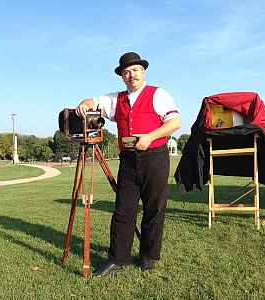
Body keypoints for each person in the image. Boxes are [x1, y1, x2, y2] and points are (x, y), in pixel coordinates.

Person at [75, 52, 181, 277]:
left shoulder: (158, 94)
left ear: (143, 72)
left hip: (155, 157)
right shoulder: (116, 99)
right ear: (122, 76)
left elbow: (174, 122)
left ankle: (147, 257)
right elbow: (92, 101)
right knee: (123, 210)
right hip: (128, 161)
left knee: (154, 209)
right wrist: (83, 104)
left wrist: (150, 136)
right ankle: (116, 260)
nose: (131, 75)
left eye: (135, 70)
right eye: (126, 72)